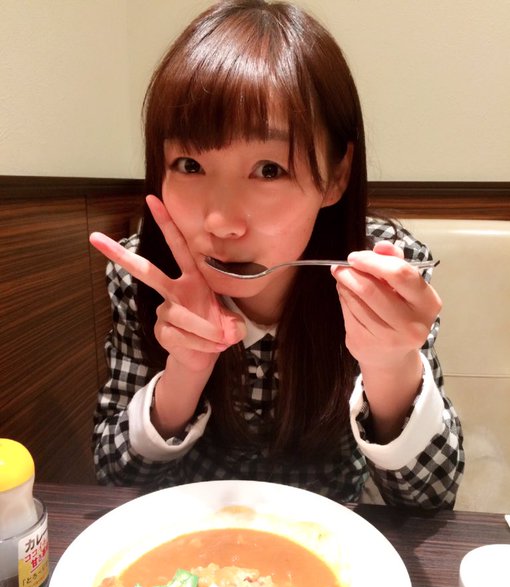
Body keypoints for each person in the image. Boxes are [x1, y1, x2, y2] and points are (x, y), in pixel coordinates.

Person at [90, 0, 464, 508]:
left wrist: (391, 368)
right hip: (197, 539)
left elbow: (431, 498)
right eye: (189, 165)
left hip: (332, 535)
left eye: (269, 170)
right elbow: (112, 478)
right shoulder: (145, 275)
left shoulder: (384, 273)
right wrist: (184, 373)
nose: (221, 222)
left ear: (335, 176)